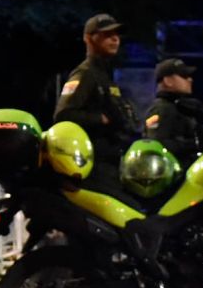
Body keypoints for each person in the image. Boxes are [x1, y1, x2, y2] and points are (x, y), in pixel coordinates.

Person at [54, 13, 139, 183]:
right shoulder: (85, 73)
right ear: (88, 38)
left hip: (110, 161)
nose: (115, 39)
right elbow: (63, 115)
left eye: (116, 34)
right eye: (107, 35)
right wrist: (100, 119)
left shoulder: (104, 75)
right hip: (92, 165)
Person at [143, 58, 203, 167]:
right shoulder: (161, 109)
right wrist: (195, 143)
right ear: (168, 81)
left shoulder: (179, 107)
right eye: (184, 76)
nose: (190, 80)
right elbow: (156, 143)